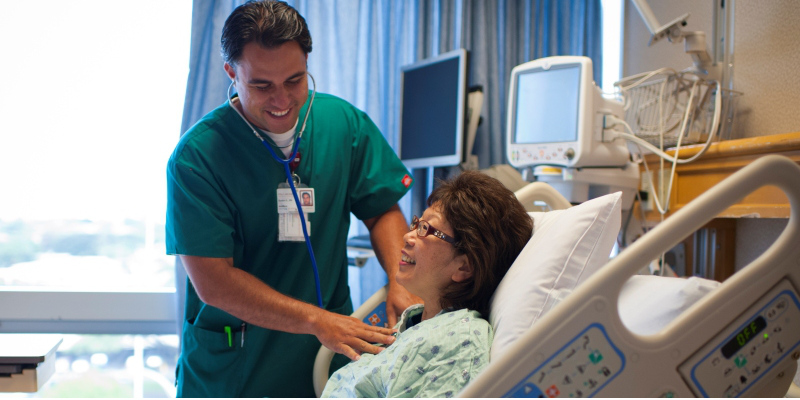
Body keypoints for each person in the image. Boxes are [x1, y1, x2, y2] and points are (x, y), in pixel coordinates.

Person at [165, 1, 420, 397]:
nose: (282, 100)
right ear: (232, 72)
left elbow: (381, 209)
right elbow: (214, 283)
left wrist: (400, 279)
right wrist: (317, 320)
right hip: (235, 371)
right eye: (262, 85)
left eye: (295, 80)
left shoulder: (343, 125)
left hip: (327, 359)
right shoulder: (198, 158)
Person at [322, 171, 534, 398]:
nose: (407, 236)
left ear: (464, 267)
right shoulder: (418, 321)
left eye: (426, 229)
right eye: (417, 223)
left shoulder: (459, 342)